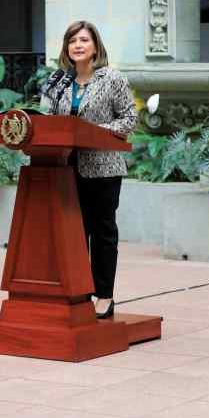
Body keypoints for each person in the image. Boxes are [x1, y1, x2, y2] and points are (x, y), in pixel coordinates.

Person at [40, 21, 137, 319]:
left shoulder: (111, 79)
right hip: (65, 168)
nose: (77, 45)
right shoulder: (58, 82)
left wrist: (91, 131)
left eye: (84, 40)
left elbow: (130, 119)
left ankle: (104, 295)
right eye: (72, 41)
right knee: (73, 232)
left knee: (102, 232)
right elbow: (47, 120)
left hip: (103, 168)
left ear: (96, 46)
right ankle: (78, 291)